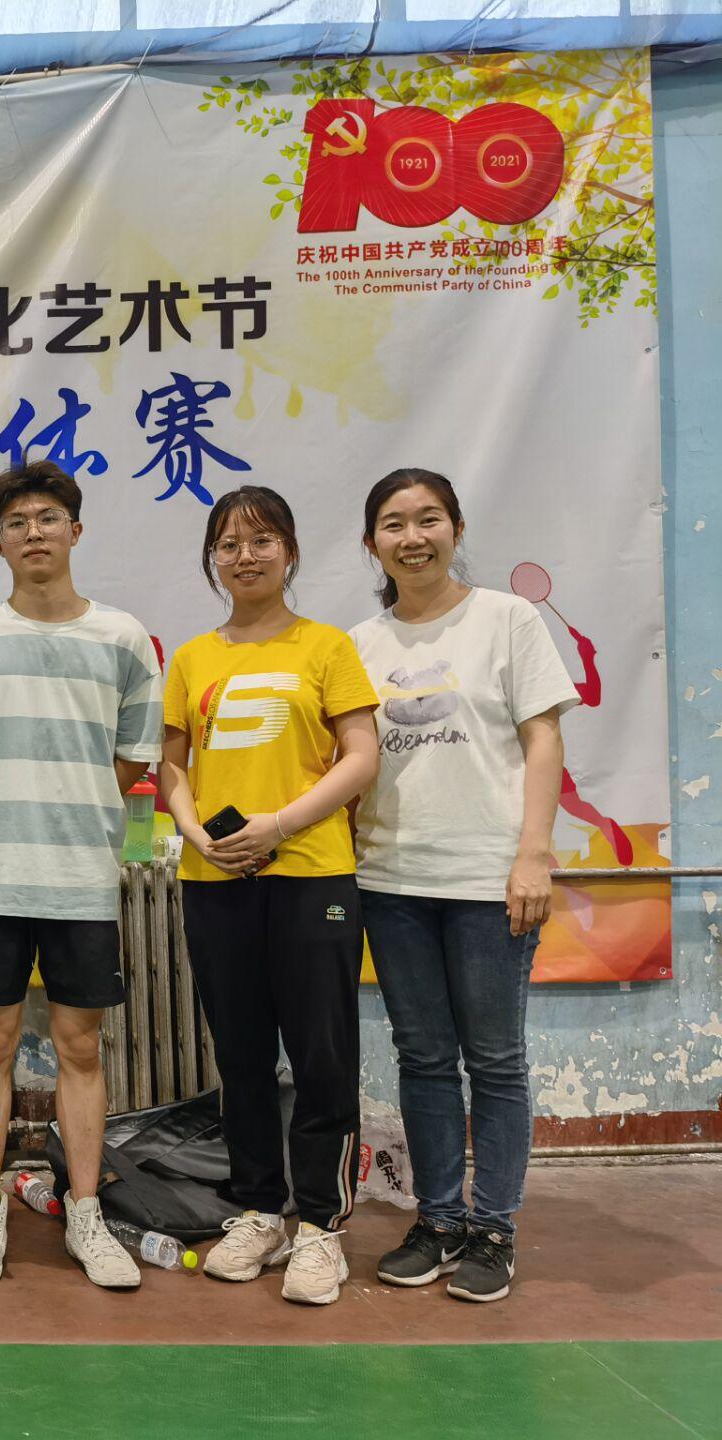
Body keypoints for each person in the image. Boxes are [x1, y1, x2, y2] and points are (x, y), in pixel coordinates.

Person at [0, 461, 160, 1289]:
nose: (33, 533)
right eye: (16, 523)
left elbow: (131, 760)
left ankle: (85, 1212)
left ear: (75, 531)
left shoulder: (123, 639)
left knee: (80, 1047)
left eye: (48, 518)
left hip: (80, 882)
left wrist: (70, 810)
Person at [353, 468, 576, 1303]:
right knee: (423, 1058)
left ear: (456, 528)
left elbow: (543, 739)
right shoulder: (360, 643)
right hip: (391, 880)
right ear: (370, 542)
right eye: (394, 523)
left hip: (490, 878)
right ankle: (439, 1219)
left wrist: (533, 854)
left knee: (496, 1060)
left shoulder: (508, 619)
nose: (413, 537)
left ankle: (494, 1230)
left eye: (429, 519)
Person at [155, 484, 378, 1306]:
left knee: (322, 1055)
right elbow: (172, 764)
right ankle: (258, 1210)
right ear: (212, 559)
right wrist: (194, 832)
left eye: (261, 540)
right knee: (241, 1056)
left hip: (312, 873)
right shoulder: (192, 657)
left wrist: (278, 825)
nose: (244, 556)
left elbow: (361, 756)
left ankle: (320, 1225)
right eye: (228, 543)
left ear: (290, 551)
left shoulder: (327, 647)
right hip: (216, 881)